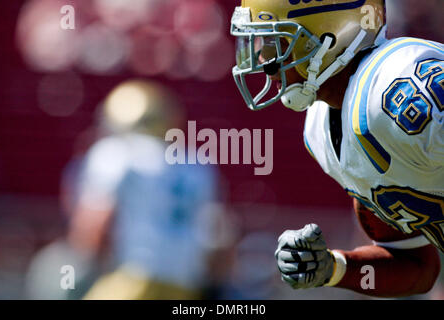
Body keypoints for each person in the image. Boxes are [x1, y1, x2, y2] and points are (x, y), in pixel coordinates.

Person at [230, 0, 442, 297]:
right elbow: (418, 267)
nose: (263, 59)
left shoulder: (401, 90)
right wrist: (333, 268)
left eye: (273, 41)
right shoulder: (323, 130)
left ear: (326, 37)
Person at [67, 80, 231, 299]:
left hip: (133, 280)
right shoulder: (197, 165)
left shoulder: (116, 153)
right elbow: (219, 236)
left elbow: (94, 225)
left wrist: (88, 267)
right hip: (186, 288)